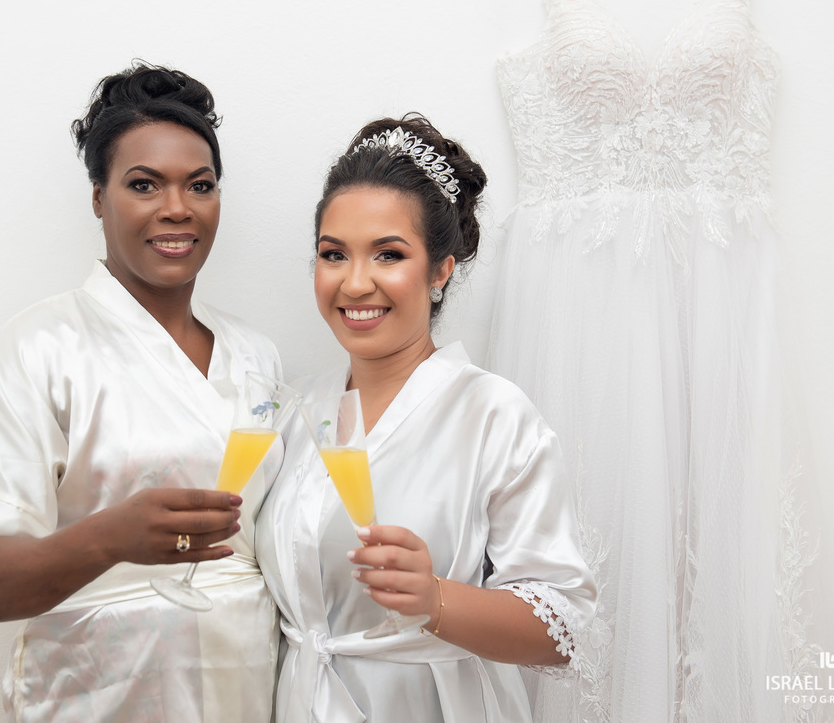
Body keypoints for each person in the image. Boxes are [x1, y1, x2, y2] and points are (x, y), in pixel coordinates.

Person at [0, 63, 282, 723]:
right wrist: (111, 536)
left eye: (200, 185)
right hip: (102, 693)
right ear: (99, 198)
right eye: (144, 184)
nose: (177, 208)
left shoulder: (257, 355)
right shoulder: (41, 348)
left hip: (246, 687)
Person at [255, 114, 597, 722]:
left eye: (388, 254)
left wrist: (436, 598)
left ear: (441, 270)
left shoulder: (493, 415)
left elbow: (565, 627)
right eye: (333, 254)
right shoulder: (290, 412)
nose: (355, 283)